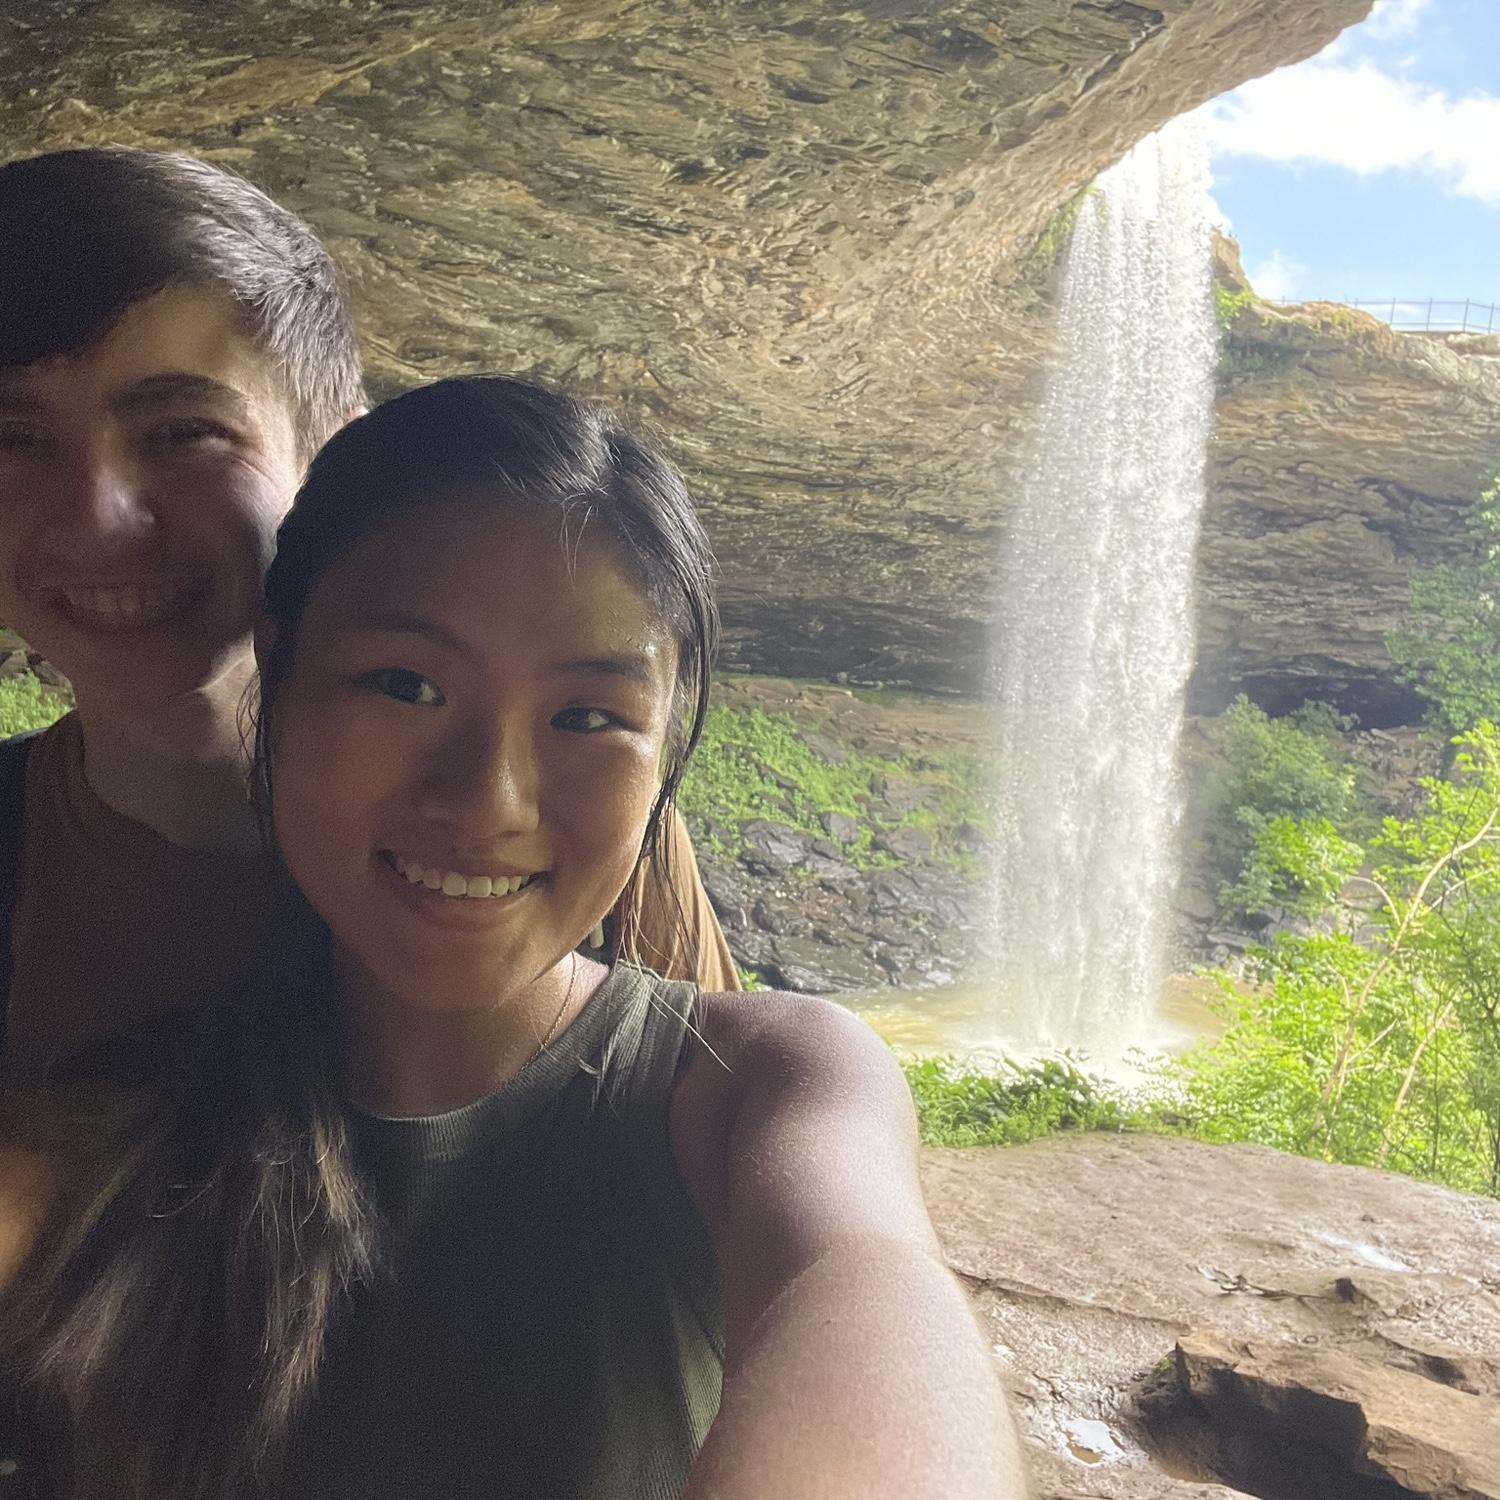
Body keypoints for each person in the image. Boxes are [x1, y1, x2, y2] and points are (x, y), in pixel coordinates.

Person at [0, 376, 1029, 1500]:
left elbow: (871, 1290)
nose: (489, 799)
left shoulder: (762, 1088)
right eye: (405, 684)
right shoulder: (101, 1136)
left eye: (589, 717)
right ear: (279, 682)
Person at [0, 146, 738, 1085]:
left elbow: (712, 1146)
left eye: (185, 433)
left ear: (333, 458)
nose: (97, 519)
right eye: (15, 440)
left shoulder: (574, 833)